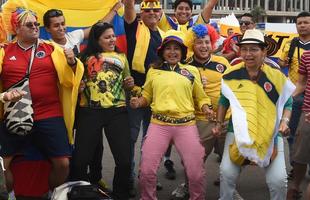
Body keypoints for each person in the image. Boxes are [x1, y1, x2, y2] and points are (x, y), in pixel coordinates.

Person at [0, 7, 83, 195]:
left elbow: (71, 80)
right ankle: (11, 194)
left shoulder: (52, 48)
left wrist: (72, 62)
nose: (35, 27)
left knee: (62, 164)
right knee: (2, 166)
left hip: (49, 113)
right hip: (14, 115)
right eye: (29, 24)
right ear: (17, 28)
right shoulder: (4, 51)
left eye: (36, 24)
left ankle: (48, 192)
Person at [130, 29, 213, 200]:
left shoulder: (191, 71)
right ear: (162, 52)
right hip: (159, 125)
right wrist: (139, 102)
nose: (173, 52)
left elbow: (201, 97)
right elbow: (146, 96)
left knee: (196, 173)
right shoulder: (153, 70)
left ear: (182, 52)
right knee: (146, 171)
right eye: (168, 48)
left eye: (177, 48)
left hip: (186, 125)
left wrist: (206, 109)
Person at [212, 29, 295, 200]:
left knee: (278, 181)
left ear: (264, 51)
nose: (248, 54)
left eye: (254, 49)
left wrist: (285, 121)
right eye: (244, 49)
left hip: (271, 133)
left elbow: (288, 102)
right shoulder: (231, 74)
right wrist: (219, 124)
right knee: (226, 173)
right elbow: (223, 100)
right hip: (238, 132)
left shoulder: (276, 76)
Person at [70, 21, 133, 200]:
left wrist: (129, 84)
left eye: (113, 36)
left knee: (125, 160)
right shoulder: (83, 58)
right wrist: (79, 86)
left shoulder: (121, 57)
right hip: (89, 112)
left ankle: (121, 194)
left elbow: (127, 82)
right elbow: (74, 83)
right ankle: (81, 194)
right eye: (107, 37)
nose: (112, 39)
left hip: (117, 111)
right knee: (81, 160)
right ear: (97, 40)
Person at [170, 24, 231, 200]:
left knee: (231, 159)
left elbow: (233, 89)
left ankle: (229, 189)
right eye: (199, 43)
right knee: (192, 159)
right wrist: (194, 86)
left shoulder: (222, 63)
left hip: (225, 118)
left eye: (206, 42)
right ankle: (189, 185)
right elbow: (179, 95)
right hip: (198, 119)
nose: (203, 46)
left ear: (212, 43)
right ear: (192, 45)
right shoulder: (184, 66)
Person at [123, 0, 164, 195]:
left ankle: (147, 178)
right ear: (142, 12)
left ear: (161, 12)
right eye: (147, 10)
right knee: (130, 138)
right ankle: (128, 178)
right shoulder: (135, 28)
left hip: (156, 96)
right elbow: (129, 8)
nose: (152, 13)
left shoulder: (165, 35)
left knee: (152, 140)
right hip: (134, 92)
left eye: (156, 10)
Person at [279, 11, 310, 177]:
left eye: (306, 22)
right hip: (295, 93)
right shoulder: (290, 43)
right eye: (299, 23)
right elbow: (281, 62)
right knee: (291, 133)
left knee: (308, 133)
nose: (302, 26)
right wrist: (284, 61)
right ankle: (295, 167)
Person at [287, 50, 310, 200]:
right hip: (307, 115)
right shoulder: (307, 56)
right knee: (300, 155)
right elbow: (301, 83)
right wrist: (286, 99)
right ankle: (295, 186)